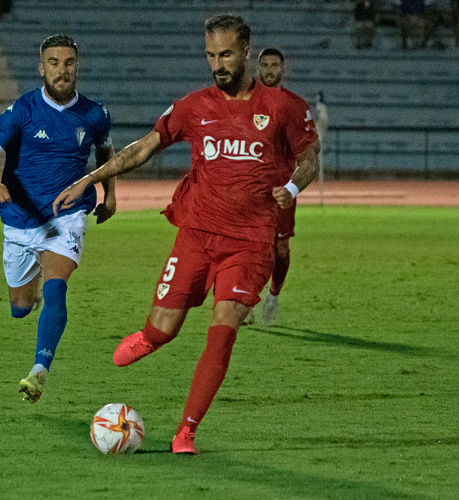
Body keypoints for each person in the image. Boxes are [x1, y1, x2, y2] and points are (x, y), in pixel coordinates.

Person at [53, 14, 319, 454]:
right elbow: (143, 147)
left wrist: (292, 187)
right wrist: (89, 179)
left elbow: (311, 157)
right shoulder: (194, 107)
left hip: (251, 241)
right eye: (211, 55)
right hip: (196, 234)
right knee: (163, 329)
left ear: (246, 52)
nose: (218, 63)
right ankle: (151, 337)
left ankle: (186, 431)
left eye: (227, 54)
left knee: (225, 322)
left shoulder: (282, 107)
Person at [0, 34, 116, 404]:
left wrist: (110, 195)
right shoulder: (23, 109)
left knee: (57, 285)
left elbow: (107, 154)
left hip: (67, 215)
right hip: (20, 218)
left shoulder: (95, 114)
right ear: (42, 68)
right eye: (54, 63)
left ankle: (39, 371)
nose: (62, 70)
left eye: (68, 63)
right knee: (20, 308)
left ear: (77, 67)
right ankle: (31, 295)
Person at [245, 47, 321, 326]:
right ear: (257, 68)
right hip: (249, 187)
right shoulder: (244, 100)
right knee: (249, 247)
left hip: (280, 189)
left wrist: (308, 148)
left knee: (280, 250)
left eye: (274, 65)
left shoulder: (294, 105)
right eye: (264, 64)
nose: (268, 69)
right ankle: (246, 301)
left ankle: (273, 297)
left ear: (283, 69)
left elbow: (313, 148)